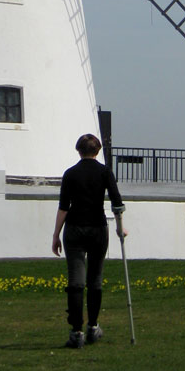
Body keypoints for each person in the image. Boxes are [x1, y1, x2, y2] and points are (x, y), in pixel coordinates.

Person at [52, 133, 124, 348]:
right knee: (95, 279)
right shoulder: (105, 172)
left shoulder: (70, 174)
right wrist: (119, 227)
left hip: (74, 228)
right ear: (98, 150)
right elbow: (117, 202)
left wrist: (56, 235)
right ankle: (93, 326)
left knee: (76, 281)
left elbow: (64, 207)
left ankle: (76, 332)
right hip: (98, 229)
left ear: (79, 151)